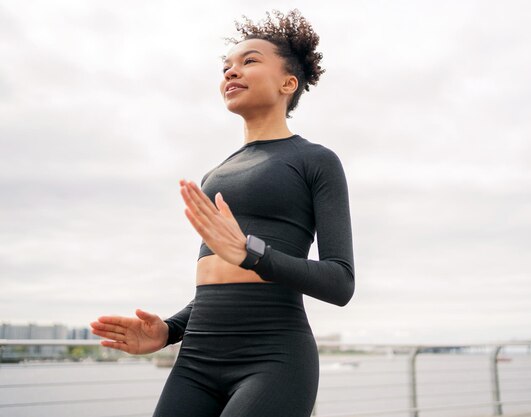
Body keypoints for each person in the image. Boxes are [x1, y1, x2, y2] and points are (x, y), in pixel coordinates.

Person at [90, 9, 355, 417]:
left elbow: (341, 282)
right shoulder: (217, 173)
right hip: (196, 358)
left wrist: (253, 252)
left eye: (249, 61)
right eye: (226, 66)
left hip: (274, 358)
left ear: (289, 82)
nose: (231, 72)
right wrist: (168, 331)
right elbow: (221, 279)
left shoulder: (315, 160)